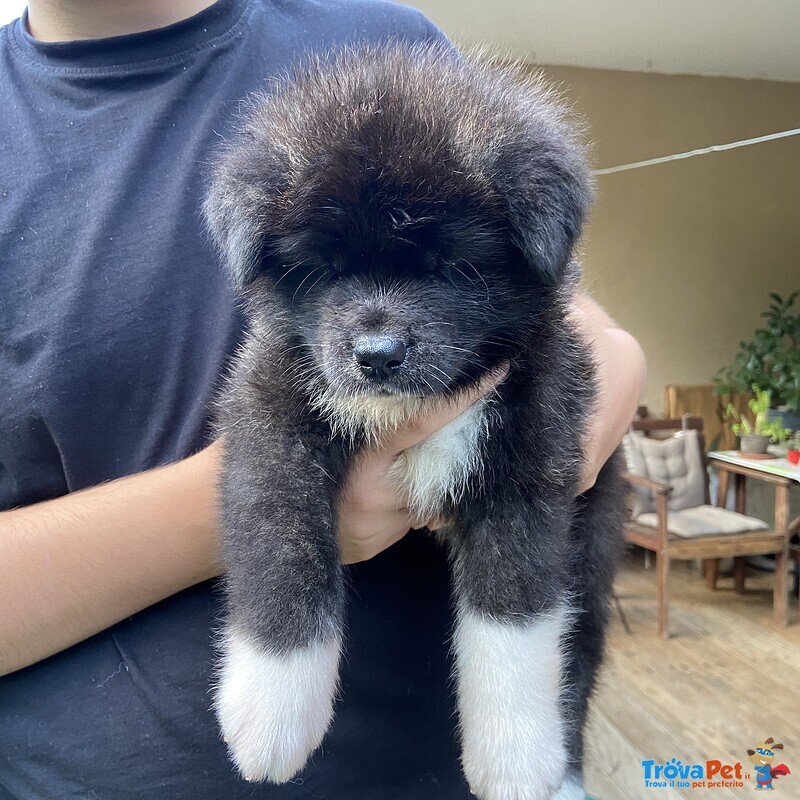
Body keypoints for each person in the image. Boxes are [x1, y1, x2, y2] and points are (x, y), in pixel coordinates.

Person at [0, 1, 646, 798]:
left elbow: (562, 304)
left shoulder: (394, 47)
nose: (375, 336)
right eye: (326, 273)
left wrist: (611, 360)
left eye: (441, 269)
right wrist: (272, 509)